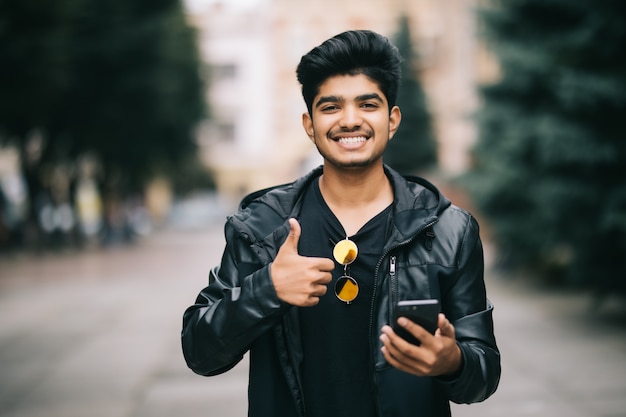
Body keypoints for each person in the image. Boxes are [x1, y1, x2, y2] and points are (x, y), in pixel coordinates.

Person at [182, 29, 500, 417]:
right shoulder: (262, 225)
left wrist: (452, 361)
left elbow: (484, 373)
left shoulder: (448, 229)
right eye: (331, 107)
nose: (350, 121)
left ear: (392, 119)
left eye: (368, 104)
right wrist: (266, 289)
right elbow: (200, 352)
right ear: (309, 124)